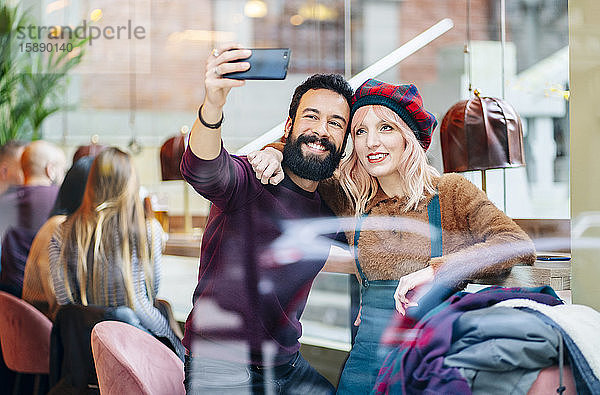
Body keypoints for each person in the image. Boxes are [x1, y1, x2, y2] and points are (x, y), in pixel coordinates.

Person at [253, 78, 537, 393]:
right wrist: (275, 152)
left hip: (428, 360)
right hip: (365, 363)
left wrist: (436, 270)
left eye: (385, 128)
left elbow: (515, 244)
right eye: (360, 131)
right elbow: (306, 157)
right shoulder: (349, 197)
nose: (372, 142)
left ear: (408, 137)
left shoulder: (449, 192)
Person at [181, 43, 352, 394]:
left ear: (345, 142)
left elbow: (382, 245)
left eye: (336, 123)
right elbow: (203, 167)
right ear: (288, 126)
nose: (322, 130)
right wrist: (213, 104)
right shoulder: (252, 179)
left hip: (285, 365)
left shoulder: (330, 207)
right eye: (311, 116)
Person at [48, 147, 185, 359]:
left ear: (92, 182)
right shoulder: (147, 231)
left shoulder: (62, 232)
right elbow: (146, 298)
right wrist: (178, 347)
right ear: (131, 184)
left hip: (86, 353)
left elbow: (65, 301)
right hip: (133, 355)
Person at [22, 156, 94, 319]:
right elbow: (58, 300)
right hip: (45, 324)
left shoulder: (64, 223)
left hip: (50, 319)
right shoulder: (59, 227)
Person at [0, 140, 67, 295]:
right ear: (50, 170)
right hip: (43, 294)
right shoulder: (59, 198)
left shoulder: (5, 201)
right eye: (62, 170)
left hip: (9, 295)